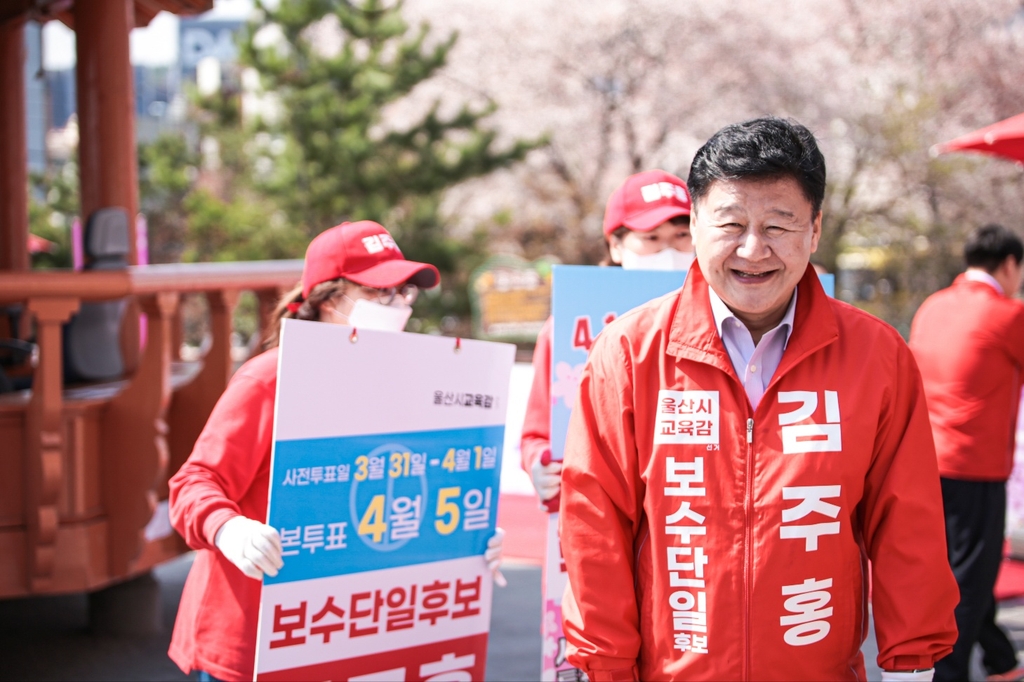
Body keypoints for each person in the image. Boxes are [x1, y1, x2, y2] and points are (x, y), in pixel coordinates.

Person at [559, 117, 959, 681]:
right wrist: (605, 665)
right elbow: (594, 525)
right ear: (695, 224)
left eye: (779, 225)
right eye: (730, 224)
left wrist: (912, 663)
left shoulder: (877, 356)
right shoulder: (629, 353)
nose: (752, 249)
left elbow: (907, 523)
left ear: (815, 230)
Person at [167, 220, 506, 682]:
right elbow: (192, 484)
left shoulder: (406, 380)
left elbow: (410, 491)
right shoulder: (270, 378)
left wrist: (465, 536)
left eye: (404, 294)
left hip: (342, 637)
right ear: (329, 300)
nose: (398, 306)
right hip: (251, 637)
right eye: (380, 293)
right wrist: (229, 528)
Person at [522, 169, 694, 508]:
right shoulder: (570, 323)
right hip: (598, 505)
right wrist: (539, 462)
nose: (670, 251)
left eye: (682, 235)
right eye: (651, 238)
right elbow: (537, 432)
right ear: (616, 245)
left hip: (685, 499)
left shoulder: (725, 318)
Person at [909, 224, 1024, 682]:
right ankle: (948, 672)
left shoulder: (933, 306)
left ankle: (1000, 661)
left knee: (958, 566)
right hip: (974, 463)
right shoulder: (1006, 314)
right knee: (971, 576)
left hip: (925, 458)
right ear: (1010, 265)